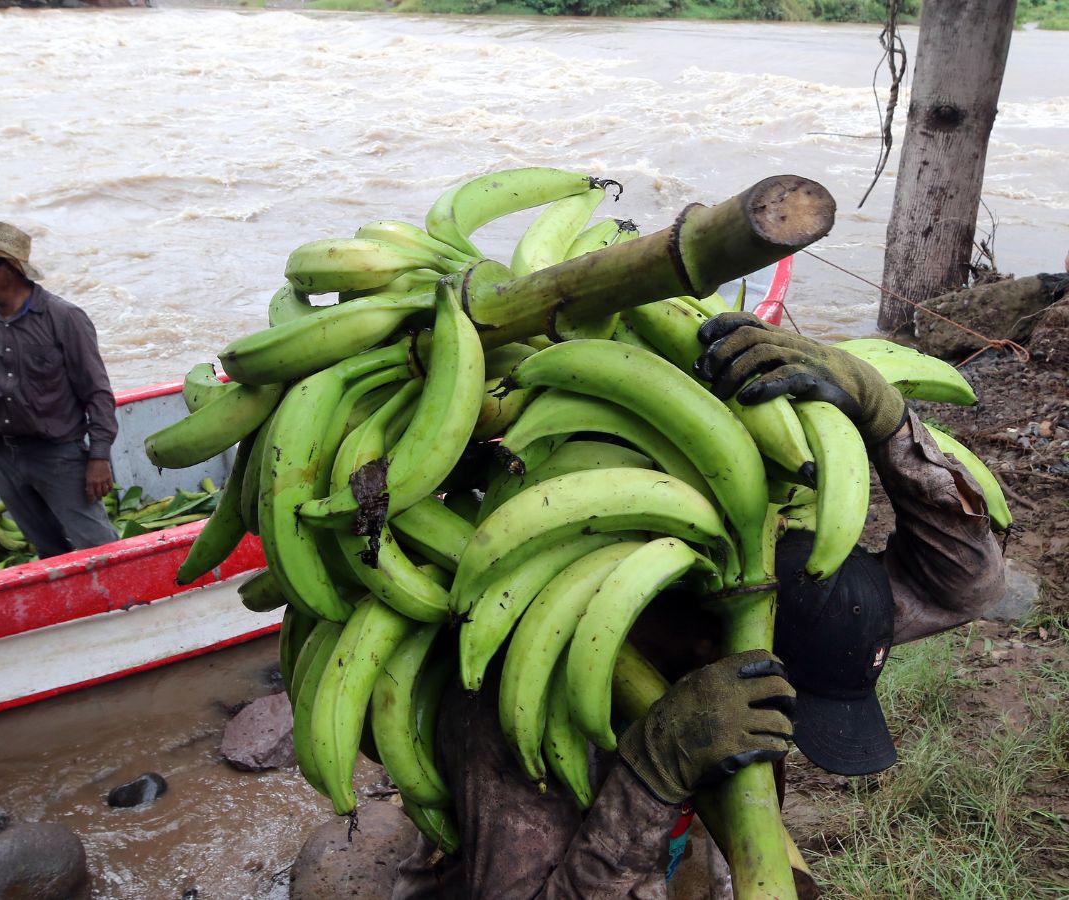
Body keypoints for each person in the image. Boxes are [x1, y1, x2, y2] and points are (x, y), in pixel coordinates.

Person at [385, 312, 1004, 899]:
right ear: (715, 646)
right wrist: (652, 771)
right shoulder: (518, 697)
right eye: (786, 696)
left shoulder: (807, 605)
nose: (780, 723)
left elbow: (967, 586)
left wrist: (883, 416)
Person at [0, 220, 119, 559]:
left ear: (9, 269)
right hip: (4, 456)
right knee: (47, 549)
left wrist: (99, 456)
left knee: (98, 545)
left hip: (58, 455)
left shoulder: (63, 317)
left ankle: (132, 606)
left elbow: (97, 392)